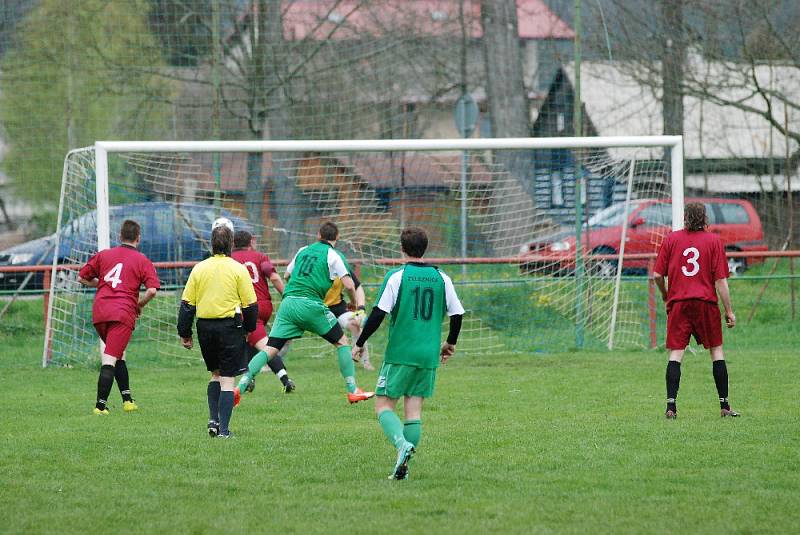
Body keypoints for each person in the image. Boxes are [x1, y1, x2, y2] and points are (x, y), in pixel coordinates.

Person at [352, 227, 465, 480]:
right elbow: (457, 313)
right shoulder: (441, 277)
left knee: (383, 407)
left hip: (401, 353)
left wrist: (359, 342)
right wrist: (450, 343)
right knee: (413, 412)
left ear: (402, 249)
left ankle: (402, 445)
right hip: (427, 355)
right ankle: (403, 464)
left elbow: (379, 313)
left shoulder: (397, 276)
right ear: (425, 248)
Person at [236, 221, 374, 405]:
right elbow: (350, 285)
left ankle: (240, 387)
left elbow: (286, 276)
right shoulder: (333, 255)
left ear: (318, 235)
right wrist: (354, 304)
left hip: (288, 304)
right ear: (337, 237)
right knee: (342, 343)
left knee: (269, 349)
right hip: (310, 304)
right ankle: (353, 390)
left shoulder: (302, 250)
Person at [653, 202, 739, 419]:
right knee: (716, 352)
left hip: (679, 304)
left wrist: (665, 294)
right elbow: (721, 281)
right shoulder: (713, 241)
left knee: (676, 354)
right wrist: (729, 310)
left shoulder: (671, 239)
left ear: (685, 217)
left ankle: (671, 407)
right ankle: (725, 406)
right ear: (705, 219)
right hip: (705, 304)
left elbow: (656, 275)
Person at [177, 218, 258, 438]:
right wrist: (249, 328)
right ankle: (224, 431)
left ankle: (213, 421)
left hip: (205, 328)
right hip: (229, 327)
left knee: (215, 374)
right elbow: (251, 305)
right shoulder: (238, 270)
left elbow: (186, 305)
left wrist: (185, 333)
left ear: (211, 244)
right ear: (231, 243)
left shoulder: (199, 269)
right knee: (228, 379)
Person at [78, 219, 159, 415]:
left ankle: (128, 400)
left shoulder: (104, 255)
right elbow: (152, 291)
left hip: (100, 312)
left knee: (117, 354)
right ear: (138, 238)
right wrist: (139, 304)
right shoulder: (142, 260)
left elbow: (82, 277)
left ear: (120, 236)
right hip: (122, 313)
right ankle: (100, 406)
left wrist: (103, 286)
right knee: (110, 359)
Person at [231, 230, 295, 393]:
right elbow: (273, 277)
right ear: (250, 242)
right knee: (250, 341)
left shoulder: (229, 260)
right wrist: (286, 295)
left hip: (247, 308)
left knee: (265, 346)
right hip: (265, 306)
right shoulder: (260, 257)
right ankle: (249, 378)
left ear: (233, 243)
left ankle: (285, 380)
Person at [278, 271, 373, 370]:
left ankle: (365, 362)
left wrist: (361, 307)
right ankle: (273, 362)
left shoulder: (341, 266)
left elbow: (356, 287)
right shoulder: (314, 268)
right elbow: (288, 276)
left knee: (355, 323)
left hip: (337, 309)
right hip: (313, 308)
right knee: (288, 330)